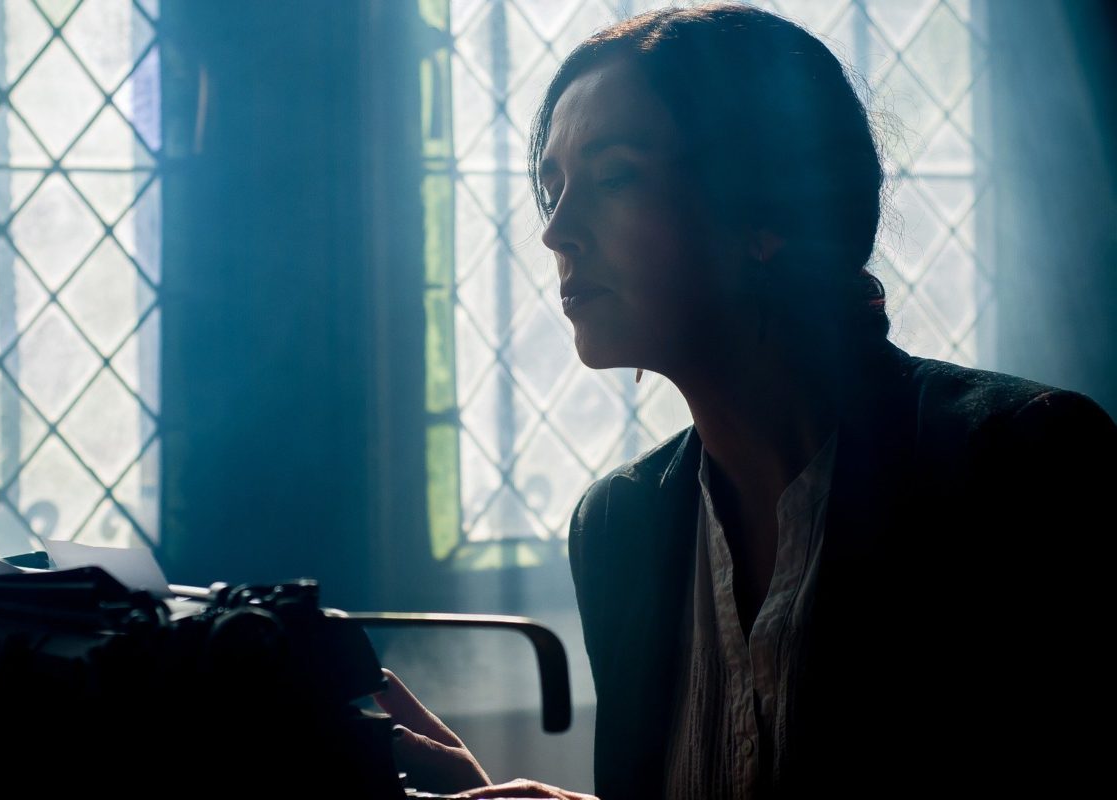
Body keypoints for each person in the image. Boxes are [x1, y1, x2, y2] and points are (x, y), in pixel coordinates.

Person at [377, 3, 1117, 799]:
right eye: (550, 189)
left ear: (766, 206)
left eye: (614, 175)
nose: (556, 232)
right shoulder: (619, 527)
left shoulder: (1018, 464)